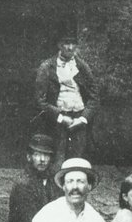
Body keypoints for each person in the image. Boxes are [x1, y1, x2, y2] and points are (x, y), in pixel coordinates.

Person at [34, 35, 99, 168]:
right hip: (56, 121)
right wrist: (60, 117)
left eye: (73, 43)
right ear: (59, 44)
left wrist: (83, 119)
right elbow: (40, 100)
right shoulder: (47, 67)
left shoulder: (82, 66)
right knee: (57, 161)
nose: (70, 47)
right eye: (66, 43)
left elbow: (94, 96)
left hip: (79, 119)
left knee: (77, 162)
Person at [8, 133, 62, 222]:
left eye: (46, 155)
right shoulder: (23, 184)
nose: (42, 159)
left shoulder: (54, 180)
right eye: (37, 154)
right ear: (29, 157)